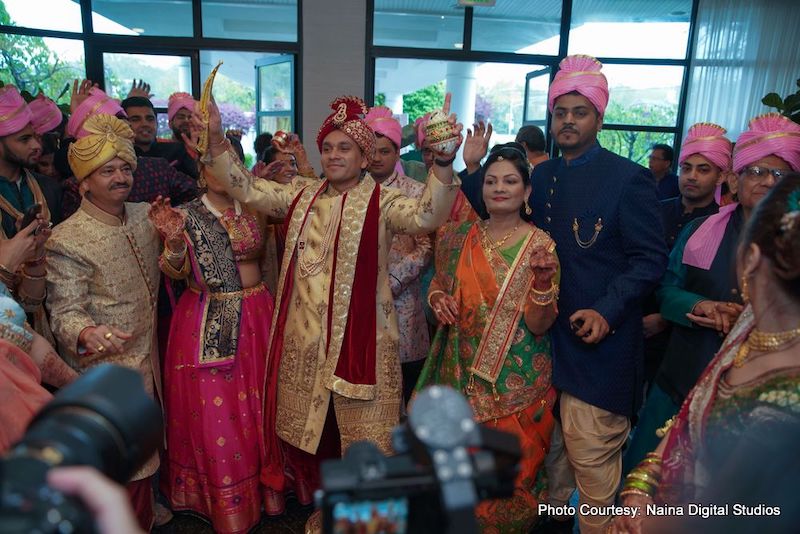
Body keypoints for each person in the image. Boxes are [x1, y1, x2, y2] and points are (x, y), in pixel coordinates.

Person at [199, 86, 462, 510]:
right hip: (308, 345)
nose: (335, 155)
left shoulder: (382, 200)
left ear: (363, 157)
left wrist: (445, 161)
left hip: (365, 345)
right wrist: (214, 140)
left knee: (368, 444)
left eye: (345, 147)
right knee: (319, 439)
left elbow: (426, 216)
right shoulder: (300, 196)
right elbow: (245, 187)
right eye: (328, 147)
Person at [610, 172, 800, 534]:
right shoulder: (750, 323)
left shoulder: (787, 397)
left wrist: (643, 526)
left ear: (750, 258)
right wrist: (641, 487)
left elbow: (733, 513)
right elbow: (690, 409)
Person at [524, 54, 667, 534]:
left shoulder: (628, 179)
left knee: (593, 470)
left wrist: (607, 311)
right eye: (560, 112)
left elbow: (649, 259)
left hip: (600, 351)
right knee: (553, 467)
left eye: (579, 112)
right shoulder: (543, 176)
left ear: (599, 118)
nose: (567, 121)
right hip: (547, 349)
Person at [625, 114, 800, 472]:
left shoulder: (794, 243)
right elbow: (666, 288)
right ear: (735, 180)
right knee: (643, 476)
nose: (767, 181)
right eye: (756, 171)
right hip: (681, 373)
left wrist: (749, 318)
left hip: (756, 395)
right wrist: (701, 304)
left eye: (780, 174)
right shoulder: (700, 229)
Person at [45, 114, 177, 531]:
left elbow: (174, 265)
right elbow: (65, 311)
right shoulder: (68, 239)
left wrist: (174, 241)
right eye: (108, 171)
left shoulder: (144, 215)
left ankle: (147, 512)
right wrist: (87, 332)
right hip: (107, 366)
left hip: (150, 355)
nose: (121, 177)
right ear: (83, 182)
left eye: (125, 168)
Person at [418, 145, 558, 531]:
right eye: (492, 181)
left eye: (510, 181)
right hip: (459, 377)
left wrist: (543, 285)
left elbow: (540, 324)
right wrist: (437, 297)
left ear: (526, 192)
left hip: (519, 385)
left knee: (509, 488)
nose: (499, 188)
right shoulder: (455, 237)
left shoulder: (541, 248)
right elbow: (438, 286)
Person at [153, 136, 275, 531]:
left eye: (231, 164)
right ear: (201, 172)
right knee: (217, 407)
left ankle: (267, 488)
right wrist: (173, 246)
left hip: (258, 311)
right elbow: (173, 271)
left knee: (263, 401)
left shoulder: (254, 205)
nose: (223, 172)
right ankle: (224, 497)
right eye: (214, 165)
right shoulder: (185, 214)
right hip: (207, 315)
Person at [637, 123, 728, 416]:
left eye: (703, 169)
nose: (691, 176)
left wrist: (664, 318)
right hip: (634, 325)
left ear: (722, 176)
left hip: (684, 338)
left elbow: (709, 285)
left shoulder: (722, 224)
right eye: (687, 167)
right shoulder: (655, 209)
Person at [365, 105, 432, 405]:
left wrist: (391, 281)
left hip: (401, 301)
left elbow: (426, 246)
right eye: (371, 151)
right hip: (359, 302)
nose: (376, 157)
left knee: (403, 387)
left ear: (397, 154)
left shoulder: (416, 192)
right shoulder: (351, 191)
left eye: (384, 151)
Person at [121, 95, 199, 179]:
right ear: (122, 123)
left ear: (157, 123)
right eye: (135, 119)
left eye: (150, 119)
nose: (145, 124)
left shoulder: (176, 151)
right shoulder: (118, 157)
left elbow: (199, 183)